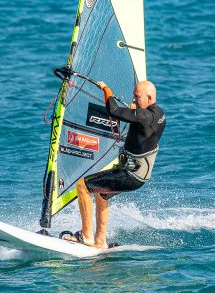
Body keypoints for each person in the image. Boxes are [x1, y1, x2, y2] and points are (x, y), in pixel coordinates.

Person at [68, 80, 166, 249]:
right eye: (134, 97)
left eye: (137, 97)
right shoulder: (158, 114)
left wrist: (107, 90)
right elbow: (143, 126)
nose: (134, 100)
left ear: (149, 98)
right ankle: (100, 241)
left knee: (82, 185)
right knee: (100, 193)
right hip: (139, 175)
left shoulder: (143, 116)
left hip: (130, 175)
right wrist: (135, 111)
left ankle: (86, 237)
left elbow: (113, 111)